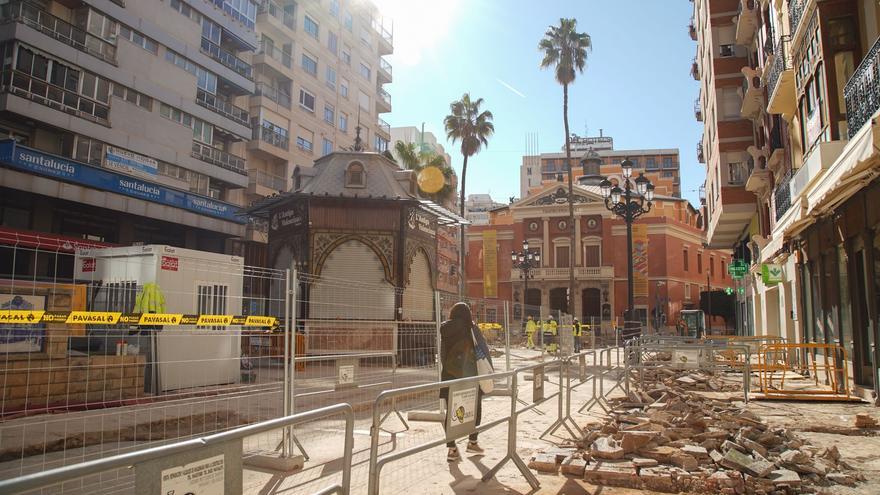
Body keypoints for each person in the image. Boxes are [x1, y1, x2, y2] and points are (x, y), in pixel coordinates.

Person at [439, 302, 487, 462]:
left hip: (449, 375)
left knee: (450, 413)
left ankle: (452, 450)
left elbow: (443, 354)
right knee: (476, 409)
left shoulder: (445, 329)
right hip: (469, 375)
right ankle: (472, 442)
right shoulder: (471, 328)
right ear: (467, 314)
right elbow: (482, 349)